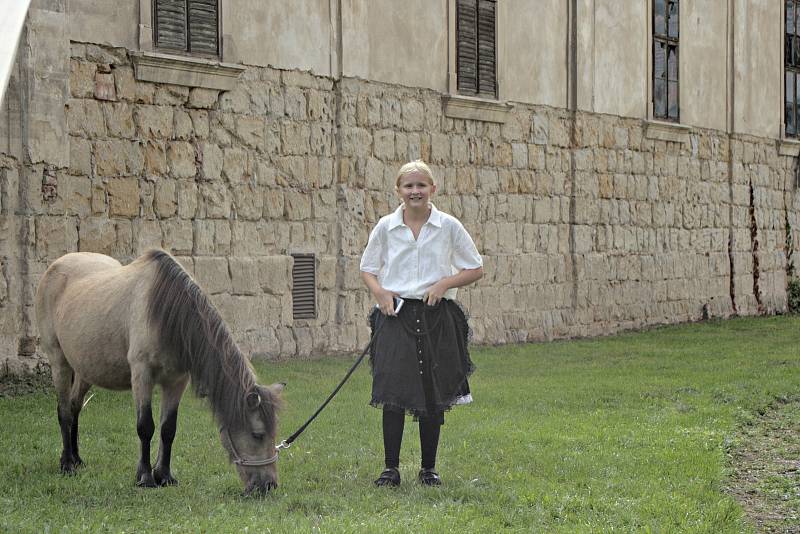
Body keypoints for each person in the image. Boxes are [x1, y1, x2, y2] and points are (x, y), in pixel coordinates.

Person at [359, 159, 484, 487]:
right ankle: (391, 469)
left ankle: (429, 468)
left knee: (432, 392)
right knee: (393, 391)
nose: (415, 191)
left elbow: (475, 268)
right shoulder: (386, 226)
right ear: (398, 191)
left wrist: (444, 284)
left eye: (421, 185)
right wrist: (381, 293)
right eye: (408, 186)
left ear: (433, 189)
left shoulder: (449, 226)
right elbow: (368, 269)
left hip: (435, 318)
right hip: (394, 315)